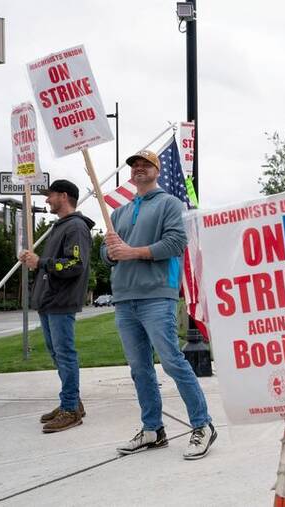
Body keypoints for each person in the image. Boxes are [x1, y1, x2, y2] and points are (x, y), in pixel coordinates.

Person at [101, 149, 217, 460]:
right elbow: (106, 252)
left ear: (157, 169)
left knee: (172, 362)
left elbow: (176, 242)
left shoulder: (170, 204)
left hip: (157, 295)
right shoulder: (119, 213)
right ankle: (152, 430)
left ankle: (202, 425)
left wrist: (131, 252)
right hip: (125, 297)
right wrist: (110, 253)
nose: (139, 169)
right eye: (135, 165)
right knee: (139, 369)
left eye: (145, 164)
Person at [19, 179, 94, 433]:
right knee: (57, 354)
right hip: (49, 300)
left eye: (50, 195)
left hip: (61, 300)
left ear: (63, 196)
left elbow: (75, 264)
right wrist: (36, 261)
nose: (47, 200)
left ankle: (70, 409)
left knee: (65, 354)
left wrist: (41, 262)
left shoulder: (75, 227)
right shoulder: (60, 227)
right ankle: (72, 401)